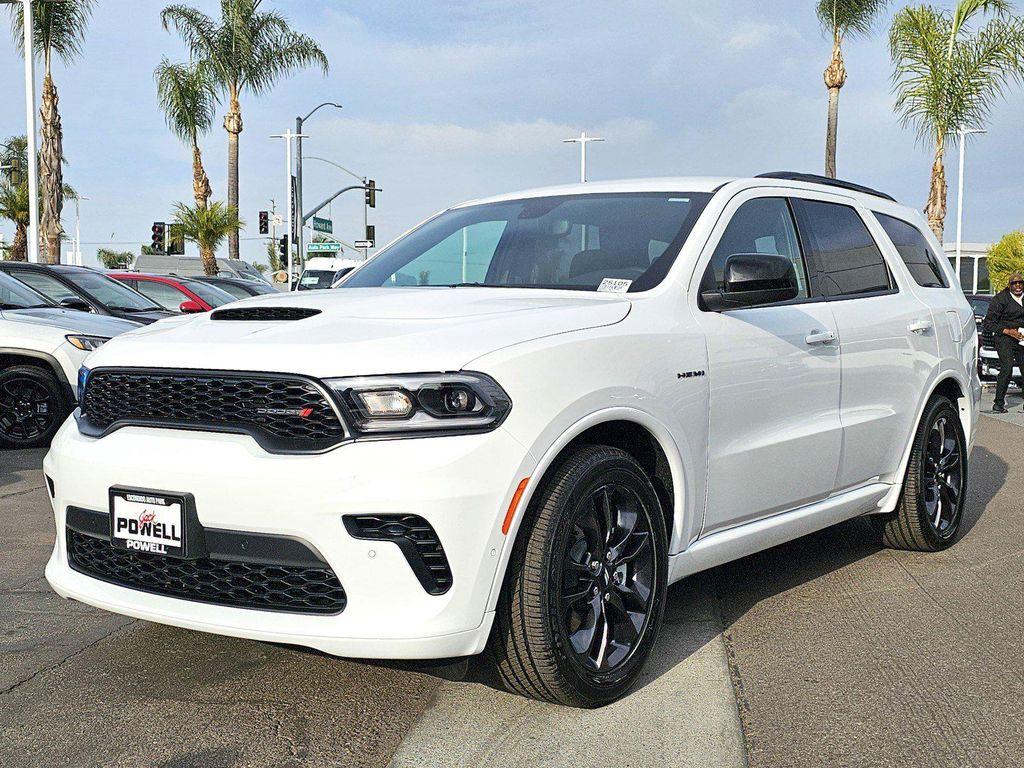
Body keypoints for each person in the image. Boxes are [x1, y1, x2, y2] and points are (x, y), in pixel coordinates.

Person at [983, 272, 1024, 413]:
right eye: (1014, 283)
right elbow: (988, 323)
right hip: (1004, 336)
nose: (1018, 286)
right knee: (1007, 368)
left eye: (1020, 282)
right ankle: (998, 404)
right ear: (1009, 285)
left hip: (1022, 337)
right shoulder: (1000, 299)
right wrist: (1008, 331)